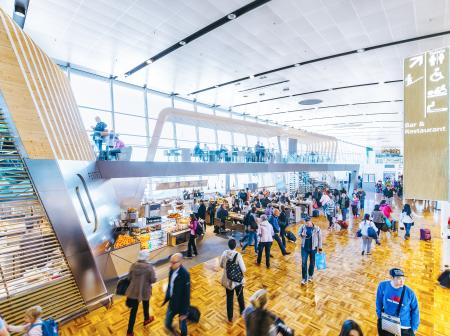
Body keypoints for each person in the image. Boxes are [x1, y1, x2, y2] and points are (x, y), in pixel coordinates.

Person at [376, 268, 420, 336]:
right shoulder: (383, 286)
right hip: (387, 322)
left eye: (403, 278)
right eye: (399, 278)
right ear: (391, 278)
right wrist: (380, 316)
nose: (402, 281)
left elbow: (415, 310)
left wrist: (414, 328)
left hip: (404, 327)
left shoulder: (410, 293)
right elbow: (378, 302)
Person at [125, 250, 156, 336]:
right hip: (145, 291)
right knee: (146, 305)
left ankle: (129, 332)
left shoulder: (133, 265)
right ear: (146, 257)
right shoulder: (149, 267)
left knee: (133, 311)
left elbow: (129, 277)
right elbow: (153, 280)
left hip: (134, 291)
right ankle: (146, 319)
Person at [164, 253, 190, 336]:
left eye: (173, 262)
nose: (171, 264)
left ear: (180, 262)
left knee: (183, 327)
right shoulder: (171, 269)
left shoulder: (185, 275)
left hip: (181, 306)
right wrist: (168, 294)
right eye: (170, 262)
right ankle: (174, 333)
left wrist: (184, 312)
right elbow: (170, 284)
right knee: (167, 323)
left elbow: (187, 295)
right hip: (172, 302)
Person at [220, 238, 246, 322]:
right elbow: (243, 269)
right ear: (235, 246)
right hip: (237, 280)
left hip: (227, 280)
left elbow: (221, 265)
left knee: (229, 298)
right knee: (240, 296)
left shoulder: (224, 253)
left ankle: (230, 317)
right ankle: (242, 312)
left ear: (228, 245)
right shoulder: (238, 255)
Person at [298, 216, 322, 285]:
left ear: (311, 221)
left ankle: (310, 275)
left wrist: (320, 249)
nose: (307, 224)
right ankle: (304, 278)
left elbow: (320, 239)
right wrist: (301, 235)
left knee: (312, 263)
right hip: (304, 248)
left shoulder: (317, 228)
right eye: (306, 222)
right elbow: (298, 234)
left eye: (308, 222)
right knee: (303, 263)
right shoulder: (303, 227)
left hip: (313, 249)